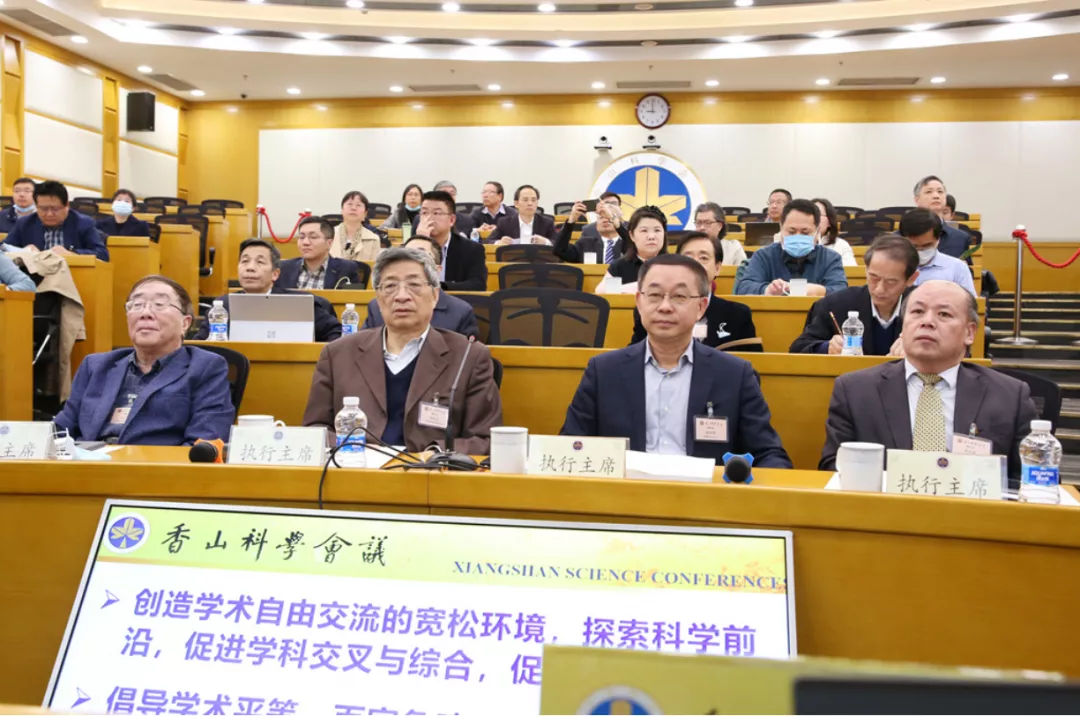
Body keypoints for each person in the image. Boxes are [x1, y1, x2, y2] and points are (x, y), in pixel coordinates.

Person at [561, 253, 791, 467]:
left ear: (701, 307)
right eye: (654, 295)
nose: (665, 307)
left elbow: (769, 454)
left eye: (679, 296)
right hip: (626, 492)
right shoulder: (603, 371)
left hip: (703, 494)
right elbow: (570, 447)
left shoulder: (734, 374)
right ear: (639, 302)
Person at [819, 280, 1036, 479]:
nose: (927, 322)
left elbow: (1027, 479)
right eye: (917, 312)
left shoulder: (1010, 395)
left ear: (970, 333)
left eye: (944, 314)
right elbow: (833, 468)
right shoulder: (855, 391)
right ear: (903, 326)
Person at [303, 247, 502, 453]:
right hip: (357, 467)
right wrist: (356, 450)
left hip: (432, 470)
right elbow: (315, 429)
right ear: (378, 299)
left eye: (414, 285)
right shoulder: (338, 354)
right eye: (390, 286)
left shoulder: (469, 356)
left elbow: (485, 438)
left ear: (435, 296)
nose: (401, 296)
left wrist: (435, 454)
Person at [53, 275, 233, 445]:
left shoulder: (206, 367)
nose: (145, 313)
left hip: (156, 465)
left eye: (159, 304)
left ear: (185, 323)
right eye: (137, 305)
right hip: (87, 463)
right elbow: (60, 430)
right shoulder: (95, 365)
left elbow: (203, 442)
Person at [790, 234, 919, 355]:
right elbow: (798, 348)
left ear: (911, 279)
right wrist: (826, 347)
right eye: (874, 278)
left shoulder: (925, 308)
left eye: (891, 281)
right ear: (866, 270)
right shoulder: (835, 304)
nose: (879, 289)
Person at [196, 238, 341, 342]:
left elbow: (337, 334)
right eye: (245, 261)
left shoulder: (299, 303)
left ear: (275, 274)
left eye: (260, 262)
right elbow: (200, 345)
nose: (250, 268)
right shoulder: (223, 306)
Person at [631, 232, 756, 349]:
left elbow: (750, 361)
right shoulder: (651, 310)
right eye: (688, 258)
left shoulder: (737, 315)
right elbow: (634, 355)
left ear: (717, 268)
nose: (695, 264)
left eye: (703, 258)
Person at [363, 235, 479, 339]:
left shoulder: (460, 312)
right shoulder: (376, 306)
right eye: (407, 254)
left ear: (437, 270)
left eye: (421, 256)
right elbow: (364, 346)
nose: (401, 297)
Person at [734, 199, 847, 296]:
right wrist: (767, 289)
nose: (798, 236)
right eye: (791, 231)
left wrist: (817, 291)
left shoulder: (830, 258)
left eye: (805, 232)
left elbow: (841, 291)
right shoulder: (764, 256)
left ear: (817, 231)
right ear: (781, 228)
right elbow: (743, 288)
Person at [4, 180, 109, 261]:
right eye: (43, 209)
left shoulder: (83, 223)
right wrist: (24, 251)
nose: (49, 214)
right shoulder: (25, 223)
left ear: (66, 205)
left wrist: (72, 254)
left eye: (55, 209)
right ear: (36, 206)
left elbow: (103, 254)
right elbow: (3, 249)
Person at [414, 190, 487, 291]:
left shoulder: (472, 249)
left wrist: (441, 287)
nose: (429, 218)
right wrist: (421, 242)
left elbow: (478, 285)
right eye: (424, 213)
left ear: (452, 220)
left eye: (436, 213)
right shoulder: (408, 249)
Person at [900, 209, 976, 296]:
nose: (920, 251)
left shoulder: (957, 268)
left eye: (927, 245)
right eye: (914, 246)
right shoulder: (892, 266)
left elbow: (970, 303)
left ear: (938, 240)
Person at [275, 216, 361, 290]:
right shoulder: (283, 268)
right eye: (301, 237)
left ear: (329, 243)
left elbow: (353, 299)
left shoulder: (347, 269)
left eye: (313, 237)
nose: (305, 242)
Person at [597, 205, 668, 292]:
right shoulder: (620, 266)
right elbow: (601, 291)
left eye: (657, 230)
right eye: (644, 230)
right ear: (632, 235)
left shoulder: (675, 265)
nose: (651, 236)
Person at [552, 197, 628, 264]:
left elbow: (632, 245)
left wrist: (613, 219)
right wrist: (571, 221)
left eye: (608, 217)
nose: (605, 220)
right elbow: (559, 250)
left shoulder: (628, 245)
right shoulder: (586, 244)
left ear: (619, 221)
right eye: (601, 217)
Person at [913, 175, 969, 259]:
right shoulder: (901, 237)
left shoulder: (960, 238)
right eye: (929, 192)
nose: (936, 196)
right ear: (917, 200)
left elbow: (967, 266)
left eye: (940, 191)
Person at [487, 184, 556, 245]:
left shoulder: (547, 223)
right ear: (516, 203)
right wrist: (500, 242)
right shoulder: (505, 223)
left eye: (533, 200)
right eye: (525, 200)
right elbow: (487, 241)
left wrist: (545, 242)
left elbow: (557, 243)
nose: (530, 203)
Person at [330, 191, 382, 262]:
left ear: (365, 213)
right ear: (342, 210)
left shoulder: (373, 239)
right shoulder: (328, 235)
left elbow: (374, 267)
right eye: (350, 204)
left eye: (358, 205)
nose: (353, 208)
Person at [694, 202, 746, 266]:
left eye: (707, 223)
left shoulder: (733, 247)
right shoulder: (689, 248)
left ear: (720, 226)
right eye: (698, 223)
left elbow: (744, 271)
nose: (702, 227)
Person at [812, 197, 855, 267]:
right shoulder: (797, 243)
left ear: (829, 222)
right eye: (810, 214)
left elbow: (850, 271)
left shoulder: (841, 245)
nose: (813, 219)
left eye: (818, 215)